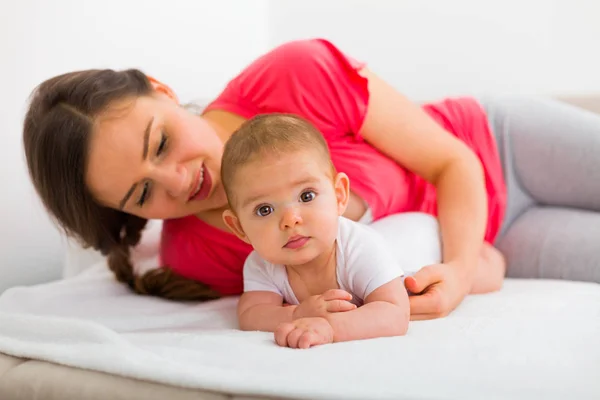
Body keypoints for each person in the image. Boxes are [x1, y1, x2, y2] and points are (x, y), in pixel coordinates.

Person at [22, 38, 600, 321]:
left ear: (164, 92)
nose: (179, 180)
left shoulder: (295, 73)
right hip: (500, 239)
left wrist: (462, 270)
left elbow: (453, 163)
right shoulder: (200, 254)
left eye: (163, 142)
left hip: (496, 145)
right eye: (143, 193)